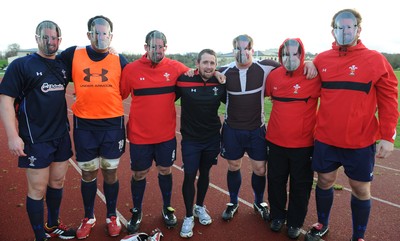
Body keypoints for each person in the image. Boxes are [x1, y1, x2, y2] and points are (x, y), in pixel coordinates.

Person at [304, 9, 399, 241]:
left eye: (349, 27)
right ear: (333, 30)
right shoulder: (322, 59)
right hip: (326, 138)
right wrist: (308, 62)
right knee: (325, 181)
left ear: (358, 29)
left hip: (360, 141)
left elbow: (389, 99)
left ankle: (358, 236)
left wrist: (388, 136)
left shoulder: (375, 60)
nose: (344, 31)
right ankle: (322, 224)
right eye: (340, 27)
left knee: (360, 188)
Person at [219, 34, 317, 223]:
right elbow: (205, 73)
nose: (242, 52)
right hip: (232, 129)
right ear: (233, 51)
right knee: (234, 165)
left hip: (256, 129)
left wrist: (310, 62)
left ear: (252, 50)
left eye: (246, 48)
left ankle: (258, 202)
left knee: (260, 169)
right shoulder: (223, 71)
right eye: (238, 49)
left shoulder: (266, 67)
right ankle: (233, 202)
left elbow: (292, 64)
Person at [0, 21, 75, 241]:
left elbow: (88, 53)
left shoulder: (62, 64)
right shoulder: (22, 65)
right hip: (35, 138)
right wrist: (13, 136)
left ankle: (52, 225)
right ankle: (38, 235)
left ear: (59, 40)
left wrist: (109, 49)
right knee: (37, 188)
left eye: (54, 38)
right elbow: (6, 100)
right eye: (45, 37)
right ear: (37, 38)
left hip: (60, 135)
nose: (50, 41)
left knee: (57, 182)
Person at [58, 15, 128, 239]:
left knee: (110, 170)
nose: (100, 36)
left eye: (104, 32)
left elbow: (129, 86)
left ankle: (111, 216)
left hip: (112, 124)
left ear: (111, 35)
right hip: (84, 124)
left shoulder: (120, 59)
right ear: (89, 34)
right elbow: (50, 65)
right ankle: (89, 217)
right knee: (88, 172)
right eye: (96, 32)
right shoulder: (73, 53)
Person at [120, 30, 190, 234]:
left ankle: (167, 208)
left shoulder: (176, 67)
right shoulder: (131, 70)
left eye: (161, 47)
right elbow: (118, 94)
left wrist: (218, 74)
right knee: (139, 173)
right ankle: (137, 211)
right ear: (145, 47)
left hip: (166, 136)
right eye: (153, 46)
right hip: (140, 136)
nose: (157, 50)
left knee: (165, 170)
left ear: (165, 48)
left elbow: (196, 75)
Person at [264, 38, 320, 239]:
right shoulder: (274, 76)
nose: (290, 58)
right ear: (281, 55)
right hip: (275, 141)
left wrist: (314, 63)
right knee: (276, 181)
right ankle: (278, 215)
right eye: (286, 54)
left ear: (302, 54)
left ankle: (295, 222)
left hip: (303, 145)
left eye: (295, 54)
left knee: (300, 186)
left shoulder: (313, 75)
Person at [176, 49, 226, 238]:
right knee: (189, 176)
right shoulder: (184, 80)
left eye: (212, 63)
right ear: (197, 64)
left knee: (205, 173)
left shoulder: (220, 82)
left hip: (212, 137)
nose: (209, 67)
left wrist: (220, 74)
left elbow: (233, 100)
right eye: (205, 62)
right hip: (191, 139)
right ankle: (188, 216)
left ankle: (199, 207)